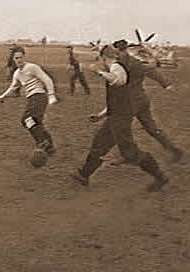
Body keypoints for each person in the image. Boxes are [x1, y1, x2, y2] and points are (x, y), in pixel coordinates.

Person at [71, 44, 168, 192]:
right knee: (99, 144)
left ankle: (160, 177)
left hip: (121, 119)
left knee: (130, 152)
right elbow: (116, 100)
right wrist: (100, 115)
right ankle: (84, 175)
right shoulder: (115, 67)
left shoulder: (116, 67)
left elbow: (119, 80)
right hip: (115, 117)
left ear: (104, 58)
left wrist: (99, 72)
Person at [113, 39, 184, 162]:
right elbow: (152, 71)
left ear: (118, 50)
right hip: (141, 98)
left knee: (120, 128)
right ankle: (173, 149)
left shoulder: (121, 63)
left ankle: (128, 155)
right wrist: (165, 84)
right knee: (151, 128)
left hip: (129, 101)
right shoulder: (136, 62)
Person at [0, 46, 58, 154]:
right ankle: (49, 146)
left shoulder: (32, 67)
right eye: (16, 58)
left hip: (39, 96)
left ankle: (42, 143)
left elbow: (47, 79)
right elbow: (13, 89)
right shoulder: (17, 74)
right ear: (13, 59)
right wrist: (2, 97)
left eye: (20, 57)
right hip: (31, 99)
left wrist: (52, 95)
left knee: (27, 119)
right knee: (36, 123)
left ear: (24, 57)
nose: (19, 60)